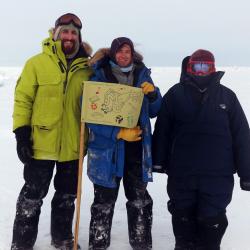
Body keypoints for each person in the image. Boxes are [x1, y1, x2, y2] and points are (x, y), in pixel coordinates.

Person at [152, 49, 250, 250]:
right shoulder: (175, 94)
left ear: (212, 68)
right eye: (197, 66)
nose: (201, 71)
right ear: (190, 68)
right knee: (182, 214)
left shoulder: (227, 97)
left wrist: (246, 173)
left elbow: (242, 136)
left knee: (212, 218)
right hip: (182, 172)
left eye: (206, 66)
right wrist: (158, 160)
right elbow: (162, 130)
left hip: (217, 174)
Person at [11, 13, 92, 250]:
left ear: (78, 38)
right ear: (55, 34)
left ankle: (63, 238)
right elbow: (23, 100)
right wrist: (21, 133)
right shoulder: (36, 63)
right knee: (31, 197)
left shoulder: (87, 69)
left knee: (66, 198)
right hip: (41, 143)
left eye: (73, 33)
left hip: (73, 145)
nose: (69, 37)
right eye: (64, 32)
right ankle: (22, 243)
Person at [86, 37, 162, 250]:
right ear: (112, 54)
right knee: (103, 202)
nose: (123, 55)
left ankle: (141, 242)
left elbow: (156, 111)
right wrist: (117, 132)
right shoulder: (98, 77)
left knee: (139, 200)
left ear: (132, 54)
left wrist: (154, 95)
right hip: (107, 151)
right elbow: (90, 117)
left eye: (127, 51)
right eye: (119, 51)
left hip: (137, 149)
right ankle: (98, 244)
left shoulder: (143, 75)